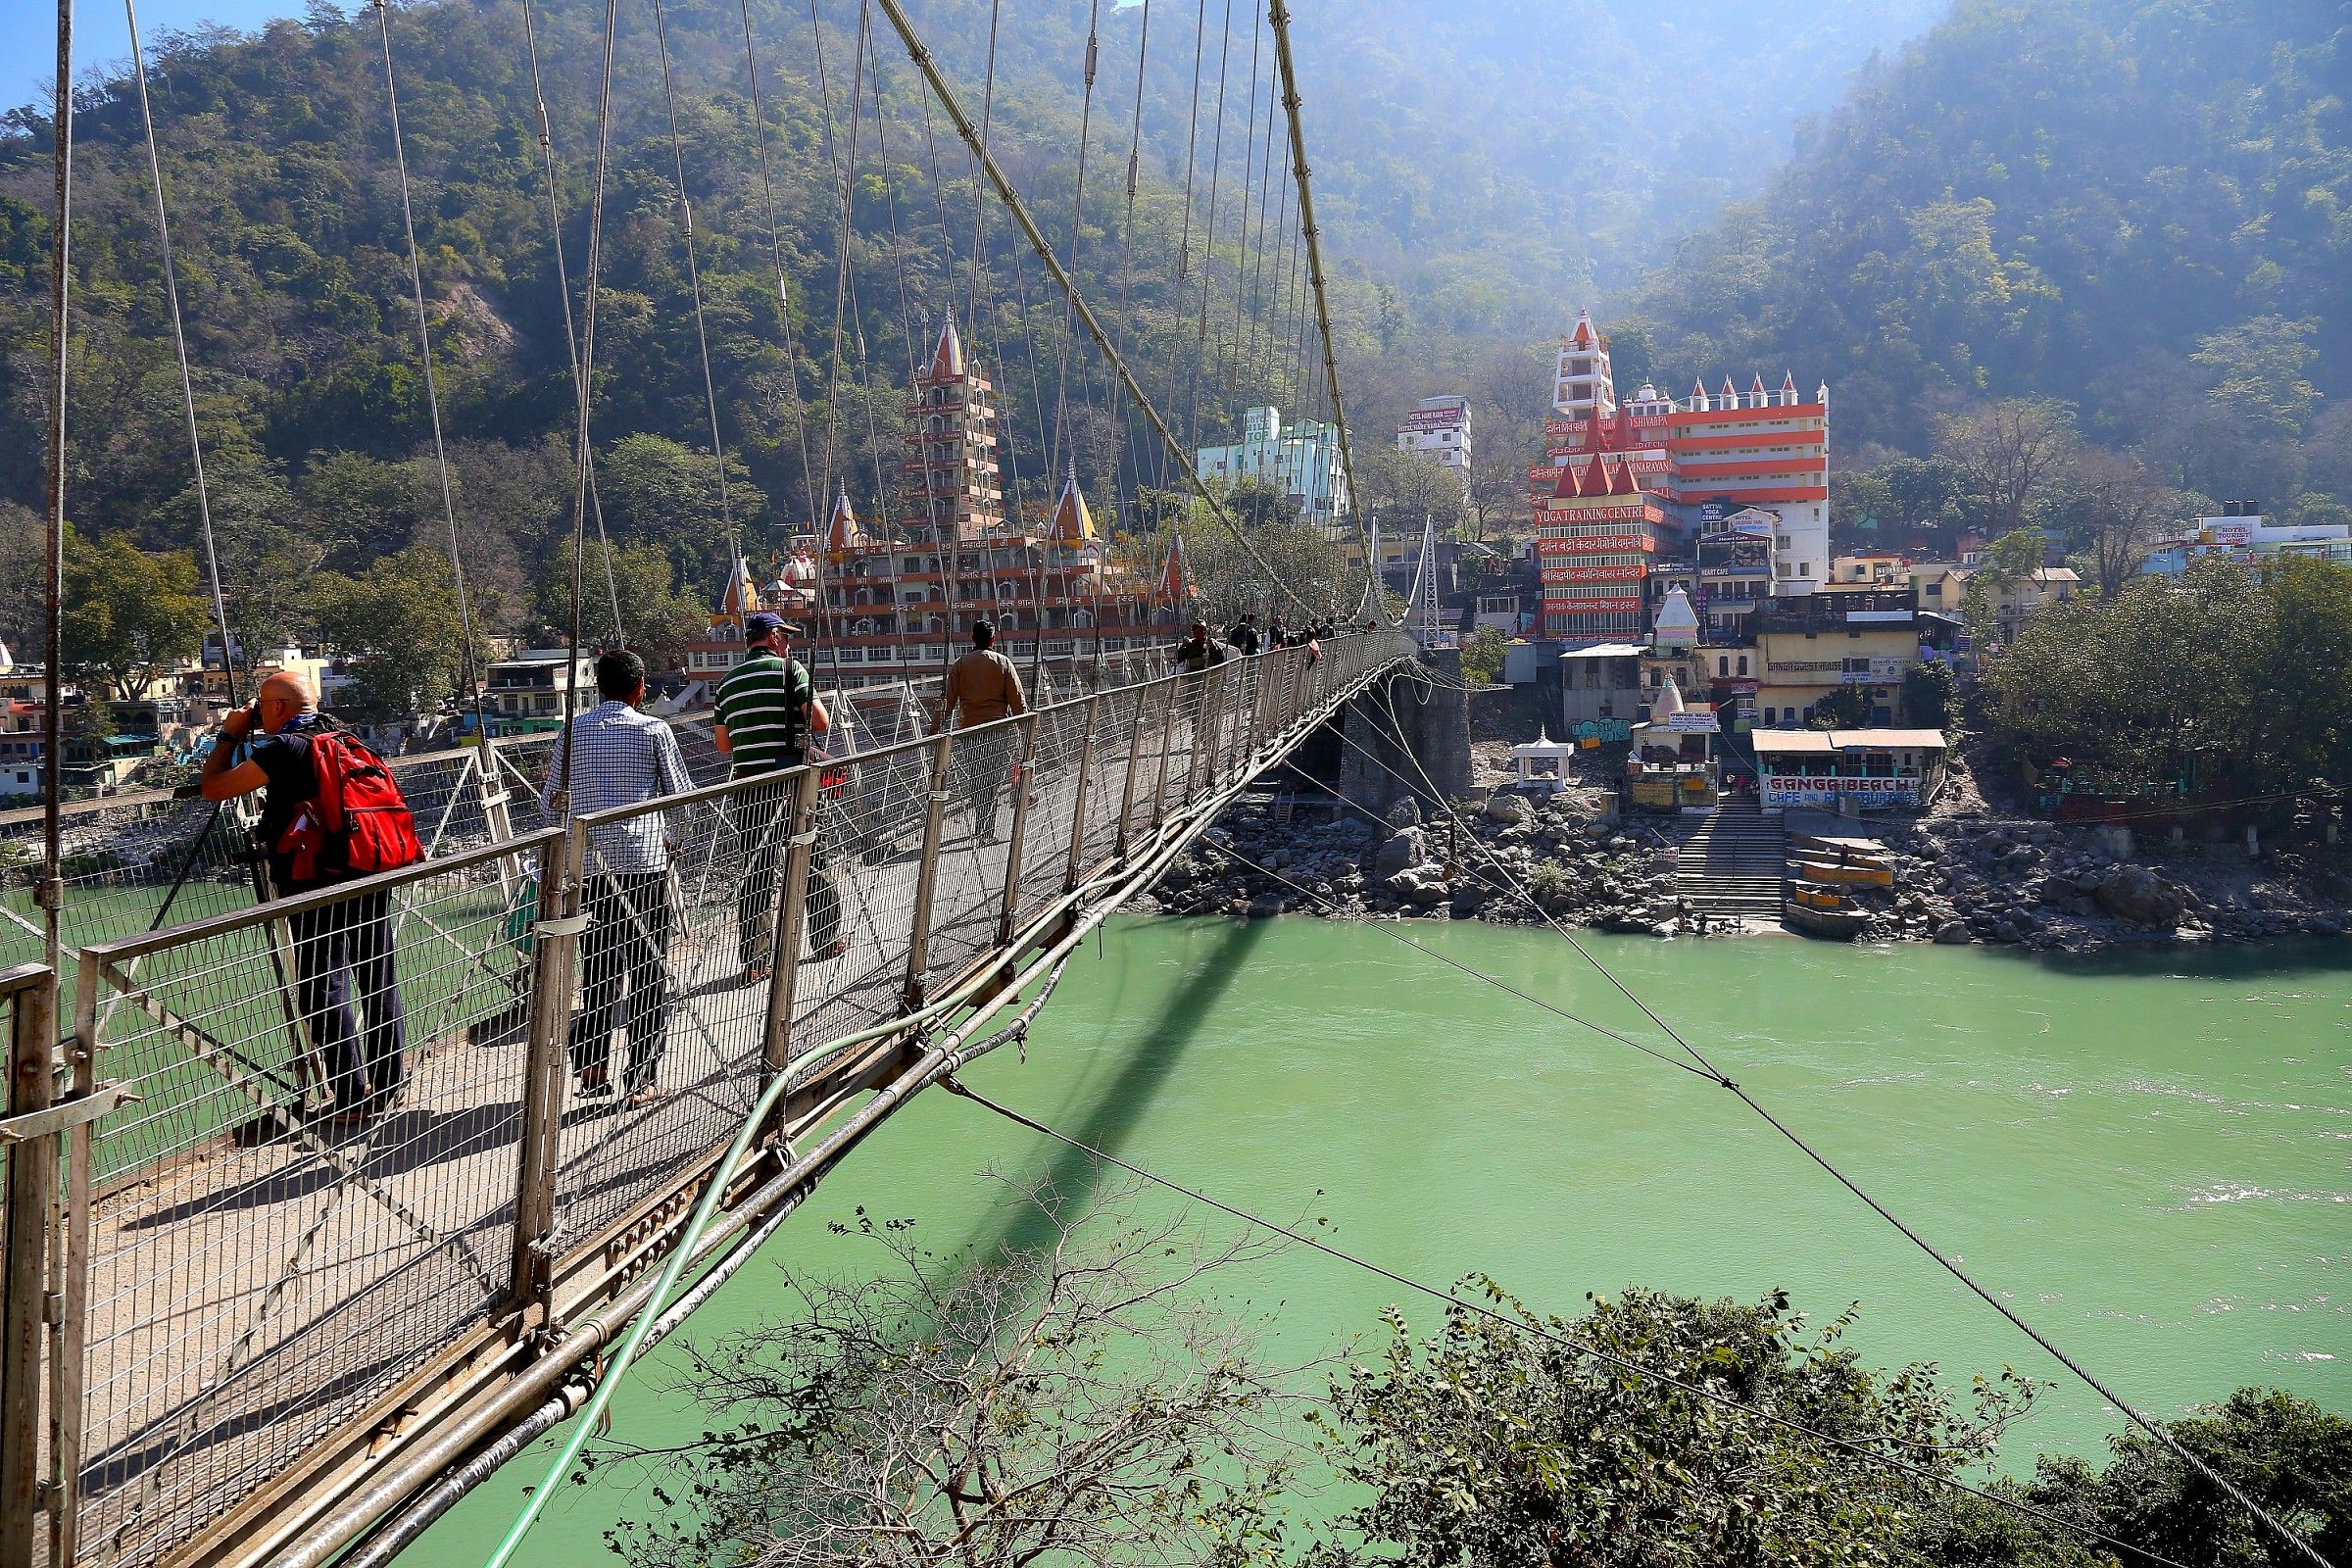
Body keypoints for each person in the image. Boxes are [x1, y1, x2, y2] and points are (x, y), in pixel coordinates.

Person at [201, 671, 406, 1127]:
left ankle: (351, 1097)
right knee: (377, 975)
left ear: (275, 708)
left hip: (315, 880)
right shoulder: (345, 737)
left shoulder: (285, 748)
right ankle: (387, 1084)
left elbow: (213, 787)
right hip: (368, 869)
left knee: (322, 987)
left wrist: (229, 735)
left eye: (260, 707)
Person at [538, 648, 691, 1105]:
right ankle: (642, 1078)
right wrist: (673, 843)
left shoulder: (571, 732)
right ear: (641, 688)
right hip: (643, 867)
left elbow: (550, 804)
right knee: (648, 971)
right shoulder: (653, 730)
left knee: (600, 969)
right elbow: (679, 797)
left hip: (590, 869)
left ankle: (590, 1066)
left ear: (599, 687)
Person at [715, 612, 845, 981]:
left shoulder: (726, 683)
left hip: (749, 786)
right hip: (792, 783)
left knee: (756, 869)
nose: (788, 642)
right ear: (773, 637)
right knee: (809, 855)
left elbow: (723, 745)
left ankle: (757, 960)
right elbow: (820, 723)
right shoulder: (791, 671)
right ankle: (825, 940)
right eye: (784, 636)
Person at [939, 619, 1028, 843]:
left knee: (978, 779)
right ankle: (986, 830)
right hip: (997, 731)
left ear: (972, 639)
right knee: (993, 781)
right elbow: (1017, 700)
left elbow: (947, 702)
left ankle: (981, 826)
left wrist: (934, 730)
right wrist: (1025, 726)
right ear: (993, 639)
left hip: (970, 732)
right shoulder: (1003, 663)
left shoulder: (960, 665)